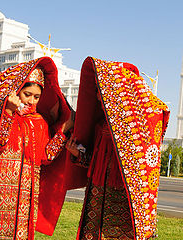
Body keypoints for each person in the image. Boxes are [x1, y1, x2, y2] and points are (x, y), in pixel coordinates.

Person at [0, 57, 73, 240]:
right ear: (16, 92)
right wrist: (8, 112)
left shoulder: (38, 122)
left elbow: (46, 156)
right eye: (27, 94)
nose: (31, 101)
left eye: (36, 97)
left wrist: (63, 131)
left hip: (25, 198)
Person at [66, 57, 170, 240]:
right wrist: (78, 154)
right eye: (98, 91)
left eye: (103, 91)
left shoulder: (138, 129)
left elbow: (158, 110)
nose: (98, 95)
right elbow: (94, 160)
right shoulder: (100, 126)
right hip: (97, 198)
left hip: (124, 200)